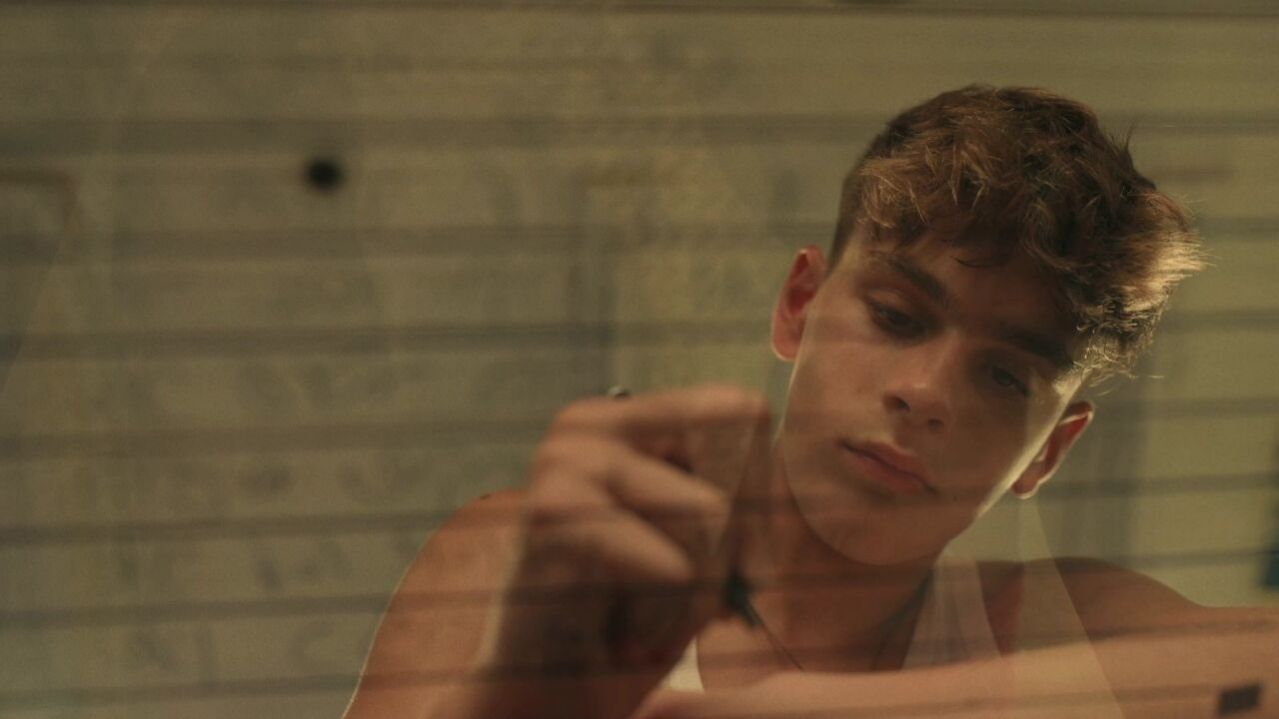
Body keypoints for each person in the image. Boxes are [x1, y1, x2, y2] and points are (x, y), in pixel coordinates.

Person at [342, 85, 1278, 719]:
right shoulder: (532, 556)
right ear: (798, 305)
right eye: (896, 317)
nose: (924, 394)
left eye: (1004, 377)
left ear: (1049, 449)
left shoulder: (1036, 619)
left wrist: (795, 708)